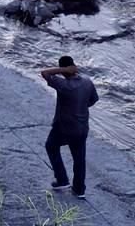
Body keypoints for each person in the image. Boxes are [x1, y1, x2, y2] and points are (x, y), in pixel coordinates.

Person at [40, 55, 98, 199]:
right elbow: (94, 99)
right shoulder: (87, 82)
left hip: (64, 127)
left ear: (64, 69)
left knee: (51, 146)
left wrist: (62, 70)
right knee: (79, 158)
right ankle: (79, 189)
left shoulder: (63, 85)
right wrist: (80, 106)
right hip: (82, 127)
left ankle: (62, 180)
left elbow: (45, 73)